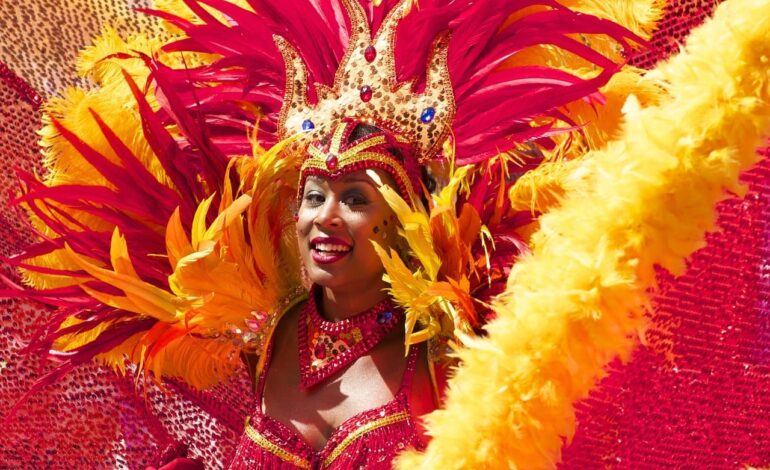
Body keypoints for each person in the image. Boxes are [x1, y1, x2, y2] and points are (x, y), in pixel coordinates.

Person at [19, 0, 767, 468]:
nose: (324, 217)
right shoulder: (271, 327)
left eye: (355, 197)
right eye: (314, 195)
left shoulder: (457, 349)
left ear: (403, 216)